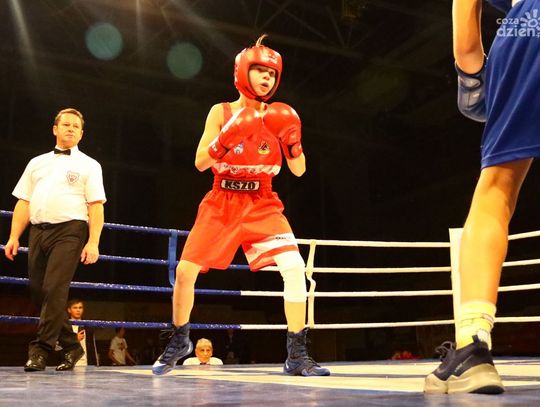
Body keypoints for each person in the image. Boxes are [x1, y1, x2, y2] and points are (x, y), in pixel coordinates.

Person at [152, 34, 329, 377]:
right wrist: (225, 139)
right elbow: (200, 162)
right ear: (243, 72)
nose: (267, 78)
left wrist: (292, 142)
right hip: (222, 199)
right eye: (260, 70)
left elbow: (299, 170)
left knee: (295, 269)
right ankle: (180, 339)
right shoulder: (220, 111)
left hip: (263, 201)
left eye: (272, 74)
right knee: (185, 272)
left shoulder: (280, 116)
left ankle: (297, 354)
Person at [424, 0, 539, 394]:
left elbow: (467, 48)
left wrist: (470, 76)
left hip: (531, 26)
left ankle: (472, 349)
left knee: (497, 189)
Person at [3, 108, 106, 372]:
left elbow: (96, 206)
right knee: (39, 292)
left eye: (75, 126)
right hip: (38, 231)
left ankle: (40, 350)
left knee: (54, 289)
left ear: (81, 134)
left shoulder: (90, 165)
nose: (70, 129)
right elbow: (24, 202)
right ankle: (71, 346)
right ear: (55, 129)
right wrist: (14, 236)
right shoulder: (36, 163)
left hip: (70, 230)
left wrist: (93, 241)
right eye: (66, 124)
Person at [66, 298, 99, 366]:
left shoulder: (88, 327)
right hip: (69, 364)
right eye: (75, 308)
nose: (78, 310)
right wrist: (74, 340)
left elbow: (93, 347)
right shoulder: (65, 327)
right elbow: (58, 347)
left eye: (80, 307)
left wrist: (96, 364)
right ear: (69, 310)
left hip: (85, 364)